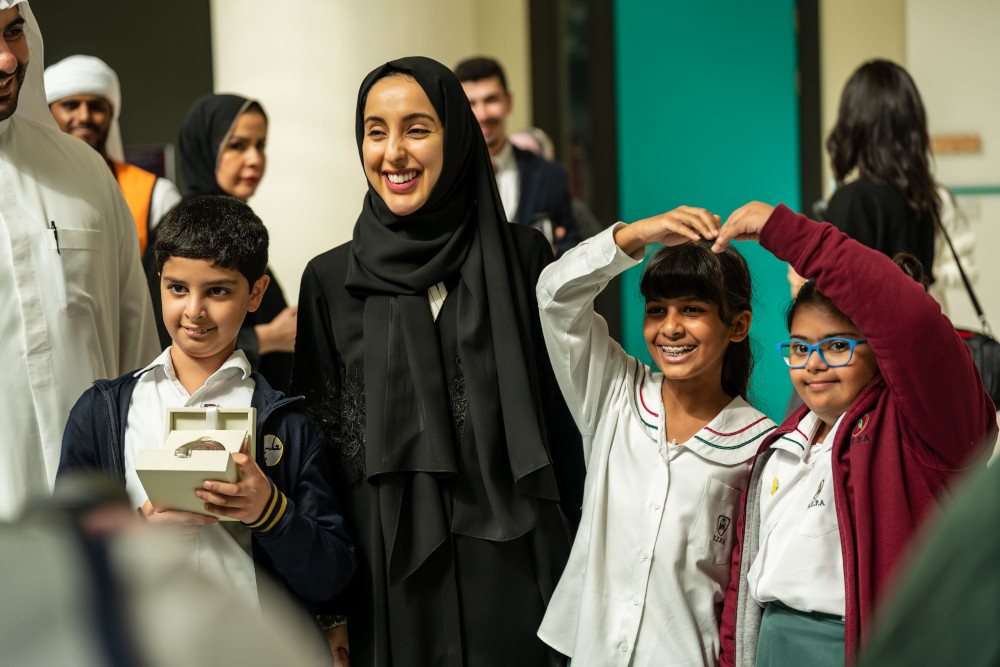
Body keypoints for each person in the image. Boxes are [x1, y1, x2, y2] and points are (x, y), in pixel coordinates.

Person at [292, 56, 584, 667]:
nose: (393, 152)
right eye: (376, 131)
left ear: (457, 135)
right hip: (385, 574)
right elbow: (321, 453)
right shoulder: (330, 279)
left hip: (512, 563)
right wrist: (329, 606)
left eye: (417, 129)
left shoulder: (522, 258)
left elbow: (565, 424)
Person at [714, 202, 996, 666]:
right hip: (771, 646)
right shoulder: (780, 446)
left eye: (838, 346)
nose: (815, 363)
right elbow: (742, 585)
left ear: (880, 353)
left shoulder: (920, 431)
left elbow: (912, 323)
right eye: (800, 348)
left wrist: (785, 231)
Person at [58, 195, 355, 622]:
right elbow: (57, 559)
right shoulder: (101, 413)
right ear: (158, 280)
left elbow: (332, 576)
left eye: (217, 290)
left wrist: (270, 510)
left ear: (256, 293)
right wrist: (135, 533)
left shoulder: (287, 425)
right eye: (177, 288)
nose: (194, 311)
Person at [535, 207, 776, 665]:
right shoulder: (615, 394)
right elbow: (555, 297)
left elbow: (745, 597)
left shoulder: (760, 449)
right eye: (656, 310)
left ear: (739, 325)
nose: (670, 327)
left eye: (692, 310)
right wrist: (638, 234)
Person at [0, 0, 159, 521]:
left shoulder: (85, 174)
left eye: (14, 32)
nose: (6, 59)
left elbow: (136, 350)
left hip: (98, 518)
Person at [145, 93, 297, 390]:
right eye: (237, 146)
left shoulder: (236, 227)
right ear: (205, 148)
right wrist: (268, 337)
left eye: (260, 145)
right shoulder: (183, 231)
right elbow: (169, 333)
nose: (254, 159)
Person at [823, 59, 975, 296]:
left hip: (866, 334)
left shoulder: (853, 200)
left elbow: (834, 303)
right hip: (916, 332)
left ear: (855, 121)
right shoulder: (923, 201)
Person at [44, 54, 182, 255]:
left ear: (111, 115)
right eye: (71, 105)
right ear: (48, 113)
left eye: (96, 107)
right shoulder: (28, 184)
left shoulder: (156, 194)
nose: (84, 117)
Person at [454, 56, 581, 256]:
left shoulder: (551, 176)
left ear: (509, 102)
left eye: (491, 99)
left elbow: (572, 244)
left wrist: (555, 253)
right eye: (471, 103)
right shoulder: (444, 177)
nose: (483, 114)